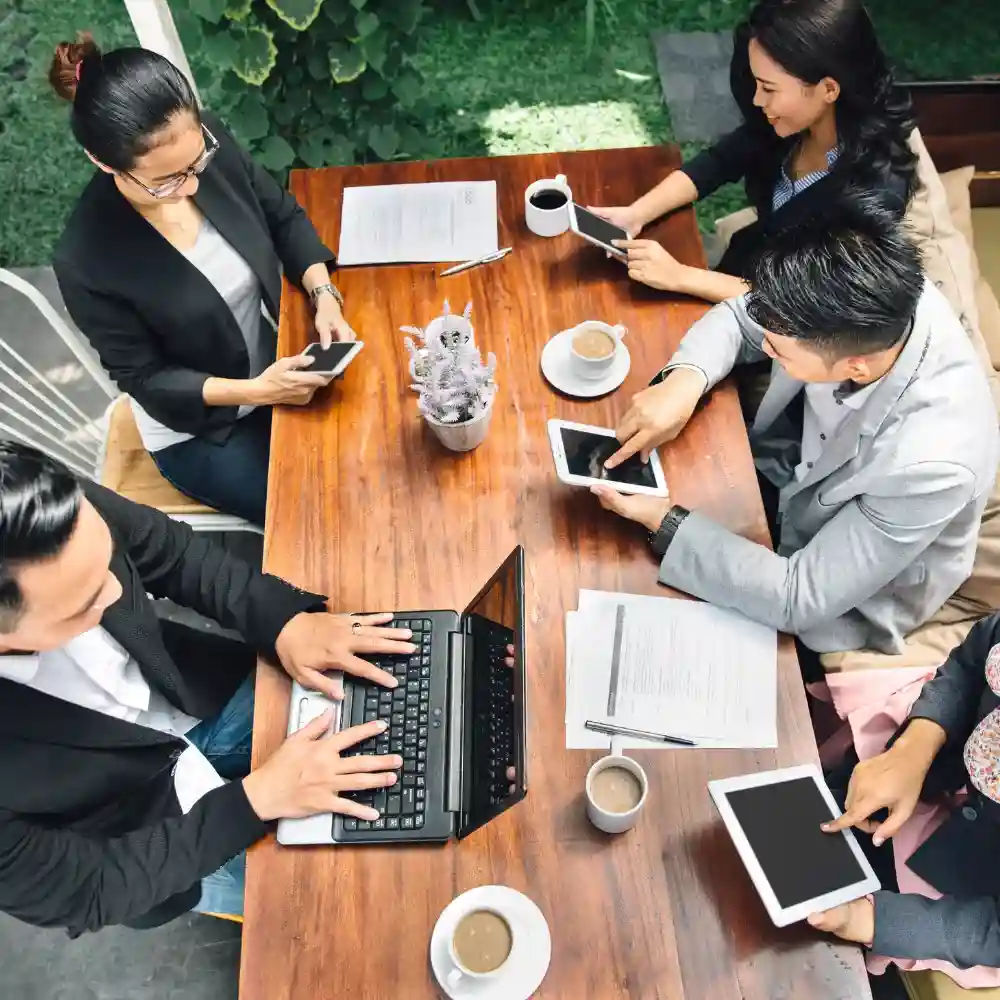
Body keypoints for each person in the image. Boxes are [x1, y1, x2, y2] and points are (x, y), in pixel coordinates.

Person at [0, 441, 414, 934]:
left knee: (403, 746)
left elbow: (165, 549)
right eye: (83, 605)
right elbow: (86, 888)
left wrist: (282, 622)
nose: (116, 594)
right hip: (152, 839)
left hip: (196, 690)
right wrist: (255, 801)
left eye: (107, 562)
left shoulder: (33, 506)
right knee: (333, 917)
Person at [592, 190, 998, 660]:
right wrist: (685, 381)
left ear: (856, 367)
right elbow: (742, 319)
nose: (763, 347)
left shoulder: (933, 463)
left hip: (837, 591)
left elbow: (799, 596)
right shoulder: (863, 293)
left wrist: (663, 520)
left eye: (778, 350)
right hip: (787, 471)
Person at [50, 35, 354, 526]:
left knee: (375, 457)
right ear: (104, 163)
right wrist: (258, 392)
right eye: (168, 181)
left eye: (197, 164)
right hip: (202, 429)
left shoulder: (202, 143)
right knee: (318, 513)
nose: (192, 185)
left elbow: (281, 215)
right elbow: (146, 379)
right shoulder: (88, 261)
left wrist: (323, 296)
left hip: (279, 364)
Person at [590, 0, 917, 304]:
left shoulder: (875, 194)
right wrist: (636, 213)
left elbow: (806, 302)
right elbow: (721, 161)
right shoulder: (793, 122)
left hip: (776, 327)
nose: (759, 101)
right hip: (749, 262)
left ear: (828, 89)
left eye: (769, 89)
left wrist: (680, 277)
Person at [808, 613, 1000, 968]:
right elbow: (974, 658)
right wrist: (917, 745)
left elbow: (989, 932)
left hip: (964, 903)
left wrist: (876, 921)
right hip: (939, 773)